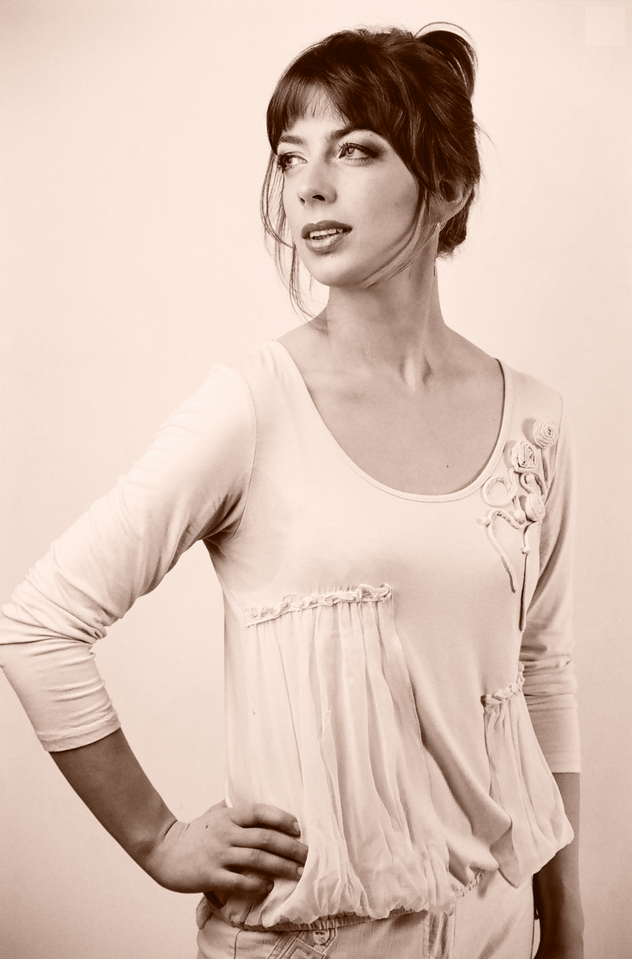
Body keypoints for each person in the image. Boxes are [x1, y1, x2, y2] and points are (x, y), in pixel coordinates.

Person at [0, 22, 584, 960]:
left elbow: (539, 671)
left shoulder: (536, 422)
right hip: (309, 941)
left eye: (355, 150)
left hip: (499, 931)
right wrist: (157, 838)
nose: (308, 186)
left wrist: (568, 920)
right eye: (289, 156)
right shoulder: (253, 406)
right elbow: (39, 626)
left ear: (448, 184)